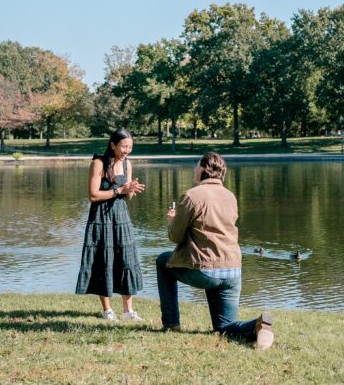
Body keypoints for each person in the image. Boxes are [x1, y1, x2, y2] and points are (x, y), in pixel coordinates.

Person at [156, 152, 274, 349]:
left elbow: (176, 236)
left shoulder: (191, 195)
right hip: (232, 269)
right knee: (223, 327)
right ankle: (258, 326)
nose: (194, 170)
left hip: (205, 270)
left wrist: (171, 221)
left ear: (203, 169)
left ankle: (171, 324)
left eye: (196, 166)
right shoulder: (230, 196)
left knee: (162, 261)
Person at [75, 128, 146, 320]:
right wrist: (119, 190)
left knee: (126, 258)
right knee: (103, 259)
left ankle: (128, 310)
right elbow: (92, 195)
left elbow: (127, 196)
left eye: (130, 147)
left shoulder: (127, 164)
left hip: (121, 216)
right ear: (113, 145)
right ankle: (108, 310)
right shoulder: (98, 163)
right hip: (101, 217)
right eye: (123, 146)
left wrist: (131, 189)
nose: (126, 150)